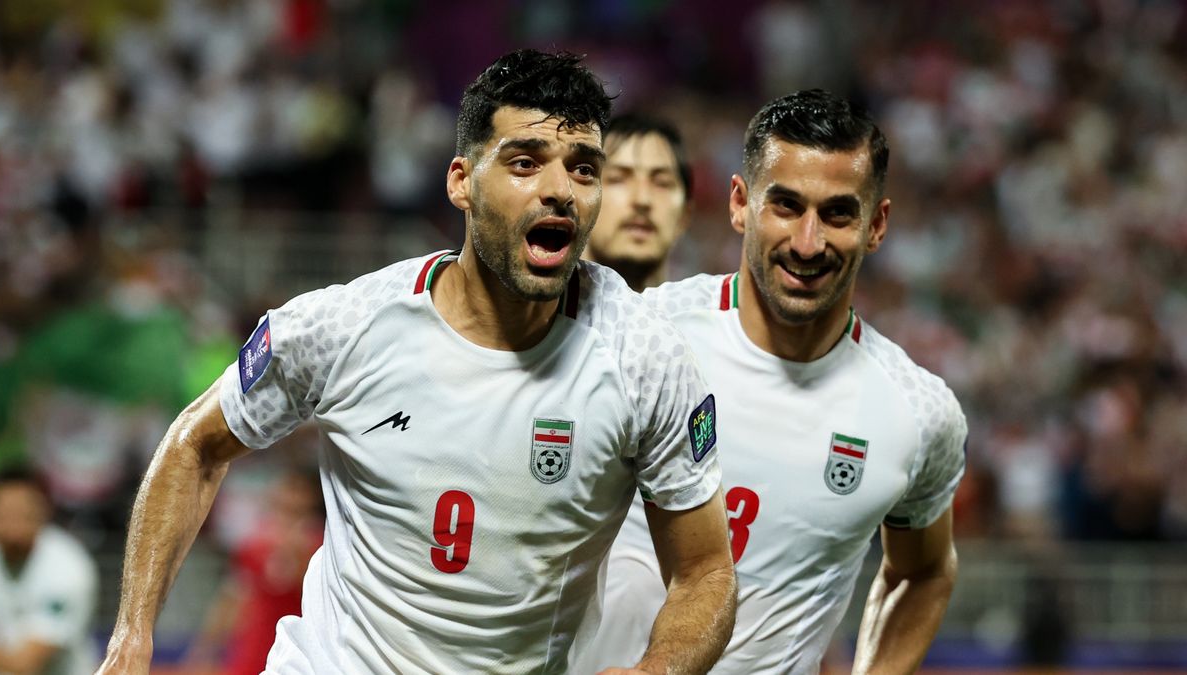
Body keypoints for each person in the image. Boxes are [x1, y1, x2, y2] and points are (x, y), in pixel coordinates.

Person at [96, 49, 736, 675]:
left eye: (583, 169)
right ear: (461, 180)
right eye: (524, 163)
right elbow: (193, 445)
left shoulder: (643, 358)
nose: (559, 190)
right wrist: (131, 639)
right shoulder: (343, 327)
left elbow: (706, 571)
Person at [576, 89, 967, 674]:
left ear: (877, 225)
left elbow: (925, 572)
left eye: (837, 213)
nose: (808, 243)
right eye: (785, 206)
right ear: (740, 203)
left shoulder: (918, 412)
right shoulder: (639, 335)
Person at [186, 470, 324, 675]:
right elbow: (233, 598)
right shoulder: (254, 544)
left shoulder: (322, 547)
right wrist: (204, 649)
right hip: (251, 653)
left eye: (296, 509)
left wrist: (295, 553)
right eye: (283, 506)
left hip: (299, 656)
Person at [0, 467, 99, 675]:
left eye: (23, 514)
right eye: (5, 513)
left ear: (43, 512)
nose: (13, 524)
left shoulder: (68, 568)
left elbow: (24, 665)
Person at [584, 114, 692, 292]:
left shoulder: (706, 319)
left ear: (685, 215)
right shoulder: (537, 318)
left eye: (662, 183)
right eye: (618, 179)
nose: (643, 199)